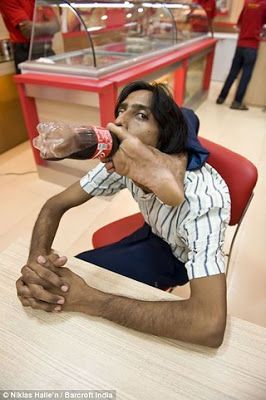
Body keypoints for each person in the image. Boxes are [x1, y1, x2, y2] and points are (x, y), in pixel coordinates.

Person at [16, 81, 230, 348]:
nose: (117, 123)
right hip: (151, 230)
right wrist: (36, 265)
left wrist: (91, 300)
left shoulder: (204, 199)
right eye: (121, 111)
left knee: (87, 307)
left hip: (179, 256)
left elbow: (208, 325)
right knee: (71, 274)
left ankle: (177, 159)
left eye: (141, 115)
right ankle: (176, 158)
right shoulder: (123, 160)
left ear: (163, 138)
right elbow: (54, 205)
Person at [216, 0, 266, 110]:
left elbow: (239, 22)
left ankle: (221, 97)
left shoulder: (247, 3)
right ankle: (237, 102)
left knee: (233, 72)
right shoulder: (264, 4)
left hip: (240, 44)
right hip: (252, 46)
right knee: (245, 76)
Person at [0, 0, 60, 73]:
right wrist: (49, 26)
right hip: (26, 52)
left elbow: (57, 26)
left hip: (46, 49)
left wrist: (34, 26)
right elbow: (28, 32)